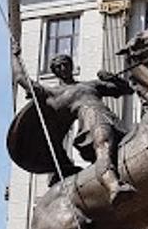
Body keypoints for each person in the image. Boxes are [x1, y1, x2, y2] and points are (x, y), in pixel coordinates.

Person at [13, 46, 136, 203]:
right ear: (55, 72)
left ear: (71, 65)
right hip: (92, 122)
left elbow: (127, 90)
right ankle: (113, 186)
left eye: (65, 64)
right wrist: (15, 56)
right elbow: (21, 78)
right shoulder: (54, 93)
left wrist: (113, 79)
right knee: (103, 141)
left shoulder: (91, 85)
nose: (63, 68)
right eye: (58, 67)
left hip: (113, 121)